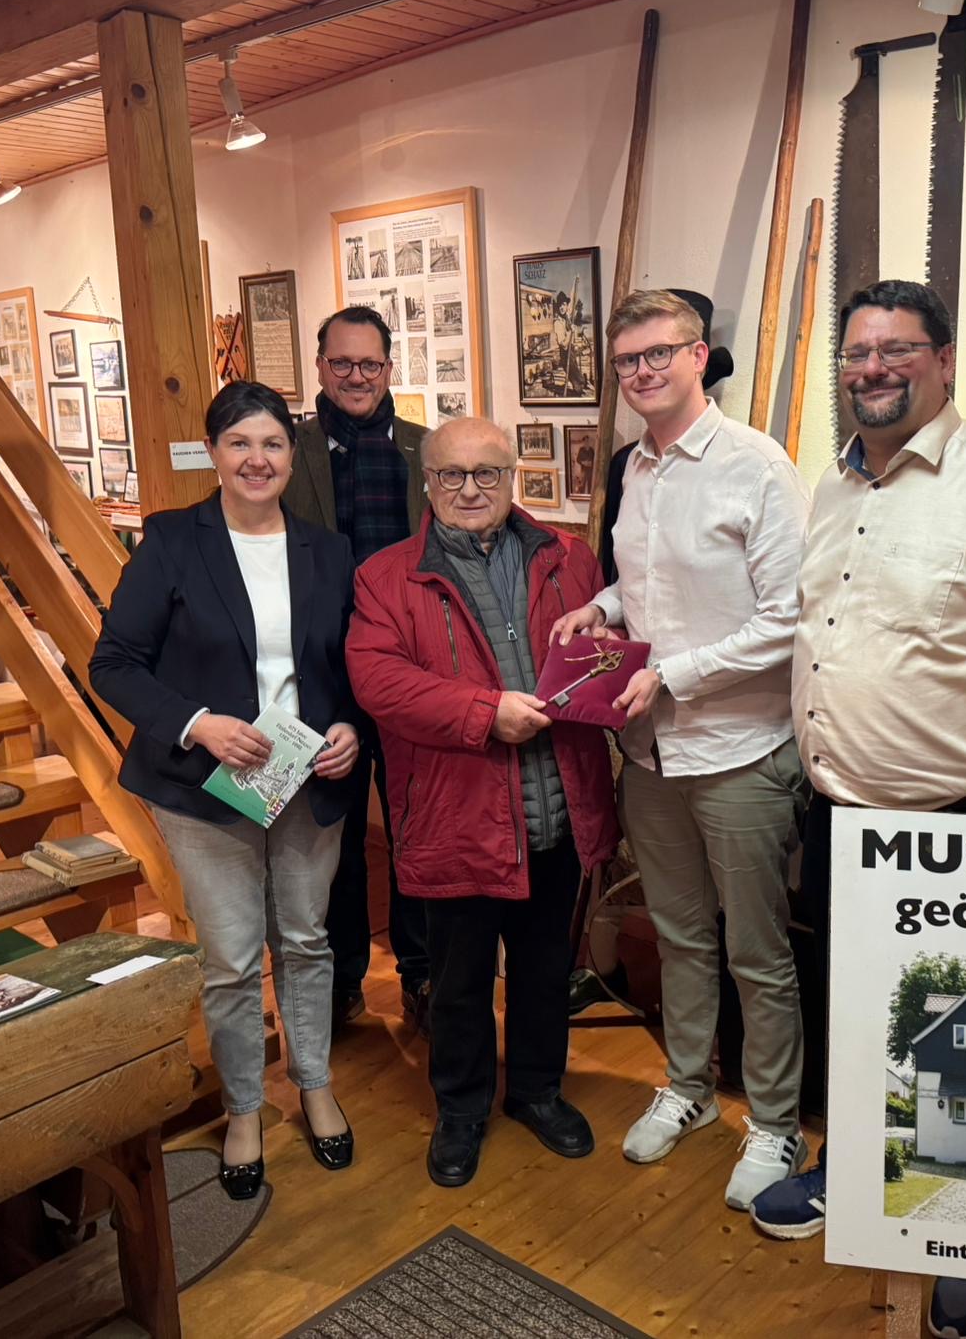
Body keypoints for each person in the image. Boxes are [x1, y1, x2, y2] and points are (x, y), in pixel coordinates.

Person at [746, 280, 966, 1339]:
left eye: (897, 350)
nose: (872, 369)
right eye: (857, 352)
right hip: (843, 816)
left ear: (944, 362)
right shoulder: (835, 487)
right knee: (861, 1017)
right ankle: (856, 1173)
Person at [551, 289, 812, 1211]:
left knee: (756, 949)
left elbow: (791, 616)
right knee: (679, 936)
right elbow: (641, 581)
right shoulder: (636, 468)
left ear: (700, 355)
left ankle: (775, 1123)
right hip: (651, 753)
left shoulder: (758, 466)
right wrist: (604, 609)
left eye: (659, 353)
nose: (643, 372)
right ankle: (692, 1090)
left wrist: (678, 672)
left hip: (739, 747)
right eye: (627, 361)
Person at [90, 381, 363, 1201]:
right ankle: (245, 1105)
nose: (257, 459)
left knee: (308, 941)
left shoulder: (329, 549)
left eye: (273, 444)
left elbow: (351, 666)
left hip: (305, 781)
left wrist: (352, 725)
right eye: (240, 443)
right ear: (214, 452)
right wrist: (199, 722)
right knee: (234, 957)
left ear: (292, 456)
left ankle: (313, 1084)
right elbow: (113, 664)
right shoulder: (174, 541)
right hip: (205, 786)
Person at [347, 417, 619, 1189]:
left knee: (542, 966)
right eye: (451, 475)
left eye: (487, 474)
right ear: (427, 484)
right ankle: (461, 1109)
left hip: (557, 808)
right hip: (458, 815)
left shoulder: (570, 558)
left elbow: (603, 652)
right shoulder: (386, 576)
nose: (470, 490)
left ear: (513, 479)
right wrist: (482, 713)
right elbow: (380, 682)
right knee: (461, 980)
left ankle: (536, 1090)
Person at [284, 306, 432, 1034]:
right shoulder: (289, 452)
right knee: (331, 836)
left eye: (370, 364)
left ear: (389, 368)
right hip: (325, 679)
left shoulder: (425, 451)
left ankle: (421, 970)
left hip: (410, 673)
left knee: (415, 827)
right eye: (341, 363)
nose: (355, 377)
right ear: (319, 367)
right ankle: (342, 979)